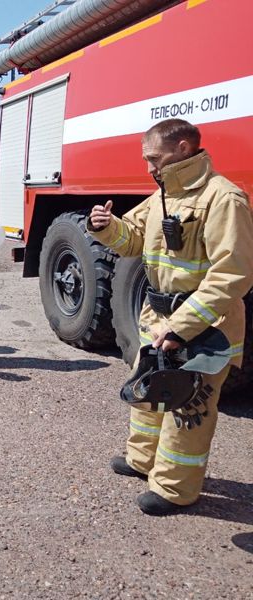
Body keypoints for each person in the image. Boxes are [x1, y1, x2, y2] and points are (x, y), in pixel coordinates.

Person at [87, 118, 253, 515]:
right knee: (147, 395)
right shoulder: (162, 197)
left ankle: (176, 489)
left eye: (154, 158)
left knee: (187, 409)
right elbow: (132, 241)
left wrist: (181, 327)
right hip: (157, 321)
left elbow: (234, 274)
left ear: (182, 149)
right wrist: (107, 228)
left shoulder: (223, 198)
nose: (149, 168)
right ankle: (142, 460)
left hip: (204, 330)